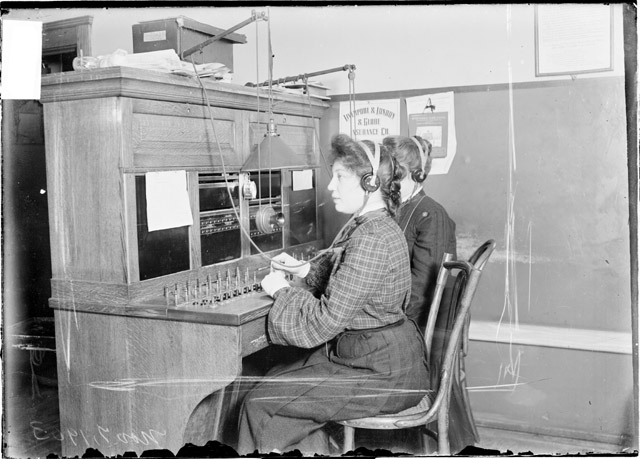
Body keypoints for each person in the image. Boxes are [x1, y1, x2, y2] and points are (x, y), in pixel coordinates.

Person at [236, 134, 430, 455]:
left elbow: (323, 323)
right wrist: (303, 272)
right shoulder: (374, 225)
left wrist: (281, 290)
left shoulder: (370, 238)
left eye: (340, 177)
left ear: (368, 183)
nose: (330, 187)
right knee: (275, 378)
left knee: (261, 403)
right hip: (381, 359)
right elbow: (352, 284)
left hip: (379, 373)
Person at [383, 135, 476, 453]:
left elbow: (422, 293)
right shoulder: (402, 209)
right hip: (405, 322)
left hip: (418, 332)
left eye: (389, 175)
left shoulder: (430, 214)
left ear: (408, 174)